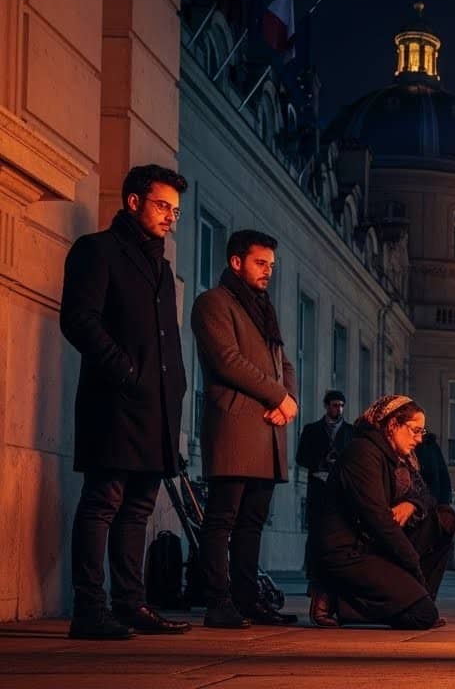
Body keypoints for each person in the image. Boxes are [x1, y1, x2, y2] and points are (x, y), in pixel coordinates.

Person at [61, 165, 192, 639]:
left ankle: (131, 605)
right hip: (114, 403)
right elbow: (78, 320)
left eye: (176, 211)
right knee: (103, 502)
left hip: (154, 408)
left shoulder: (160, 265)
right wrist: (125, 371)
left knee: (138, 509)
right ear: (133, 202)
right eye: (162, 206)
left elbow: (166, 343)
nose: (171, 218)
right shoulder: (96, 251)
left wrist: (171, 395)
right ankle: (89, 609)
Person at [191, 229, 299, 628]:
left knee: (252, 522)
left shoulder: (262, 307)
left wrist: (286, 401)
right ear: (236, 262)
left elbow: (283, 361)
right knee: (222, 519)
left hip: (267, 429)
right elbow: (227, 361)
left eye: (271, 265)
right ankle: (217, 602)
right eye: (260, 263)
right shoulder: (213, 303)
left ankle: (246, 599)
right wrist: (277, 397)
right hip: (235, 425)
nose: (268, 271)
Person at [311, 395, 453, 629]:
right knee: (422, 616)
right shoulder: (363, 453)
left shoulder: (401, 458)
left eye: (422, 432)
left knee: (445, 518)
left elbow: (428, 496)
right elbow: (377, 518)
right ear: (393, 425)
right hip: (349, 552)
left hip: (374, 544)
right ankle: (338, 599)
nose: (419, 439)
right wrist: (413, 564)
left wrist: (412, 504)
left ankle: (416, 598)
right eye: (414, 430)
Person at [296, 389, 356, 622]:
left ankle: (330, 585)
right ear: (326, 406)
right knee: (315, 535)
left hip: (339, 490)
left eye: (340, 405)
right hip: (318, 487)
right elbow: (301, 457)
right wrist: (320, 460)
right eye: (334, 405)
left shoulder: (350, 432)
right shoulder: (312, 430)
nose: (338, 410)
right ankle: (314, 581)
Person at [413, 431, 452, 508]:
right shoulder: (431, 447)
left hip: (430, 501)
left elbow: (443, 475)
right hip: (421, 501)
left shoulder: (431, 446)